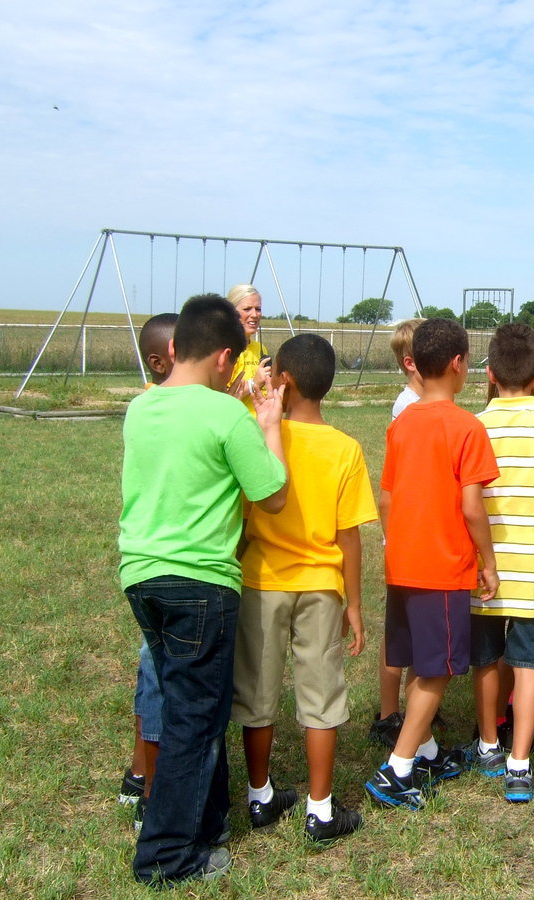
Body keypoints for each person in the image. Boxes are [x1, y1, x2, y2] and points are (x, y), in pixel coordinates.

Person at [120, 294, 288, 885]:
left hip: (142, 576)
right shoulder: (225, 418)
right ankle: (166, 856)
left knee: (195, 705)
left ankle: (208, 822)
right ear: (224, 358)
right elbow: (271, 495)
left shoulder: (141, 409)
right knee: (196, 718)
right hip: (201, 583)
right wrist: (268, 427)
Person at [233, 333, 376, 846]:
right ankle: (320, 809)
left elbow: (242, 514)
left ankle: (259, 795)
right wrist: (354, 603)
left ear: (284, 381)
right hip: (321, 586)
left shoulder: (255, 435)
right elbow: (349, 535)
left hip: (261, 582)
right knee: (321, 692)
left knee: (257, 691)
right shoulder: (346, 449)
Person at [364, 318, 500, 810]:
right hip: (442, 567)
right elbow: (471, 506)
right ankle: (397, 770)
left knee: (419, 662)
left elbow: (386, 497)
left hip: (402, 562)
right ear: (459, 365)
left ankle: (427, 751)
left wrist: (398, 542)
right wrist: (488, 561)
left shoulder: (401, 424)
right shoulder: (467, 426)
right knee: (438, 669)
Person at [465, 324, 534, 803]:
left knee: (486, 658)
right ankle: (520, 763)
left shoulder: (473, 426)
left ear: (489, 372)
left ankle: (488, 743)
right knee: (528, 665)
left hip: (482, 569)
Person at [118, 313, 177, 812]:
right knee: (166, 678)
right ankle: (154, 792)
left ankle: (139, 773)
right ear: (158, 362)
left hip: (142, 566)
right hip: (178, 569)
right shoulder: (184, 409)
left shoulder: (143, 408)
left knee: (152, 669)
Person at [369, 318, 425, 749]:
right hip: (410, 533)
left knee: (408, 629)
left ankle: (407, 709)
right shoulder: (408, 407)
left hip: (413, 531)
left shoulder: (416, 403)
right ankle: (390, 714)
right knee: (400, 630)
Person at [226, 284, 272, 413]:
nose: (254, 314)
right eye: (247, 309)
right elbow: (223, 399)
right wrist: (254, 383)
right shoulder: (226, 350)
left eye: (258, 309)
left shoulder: (261, 348)